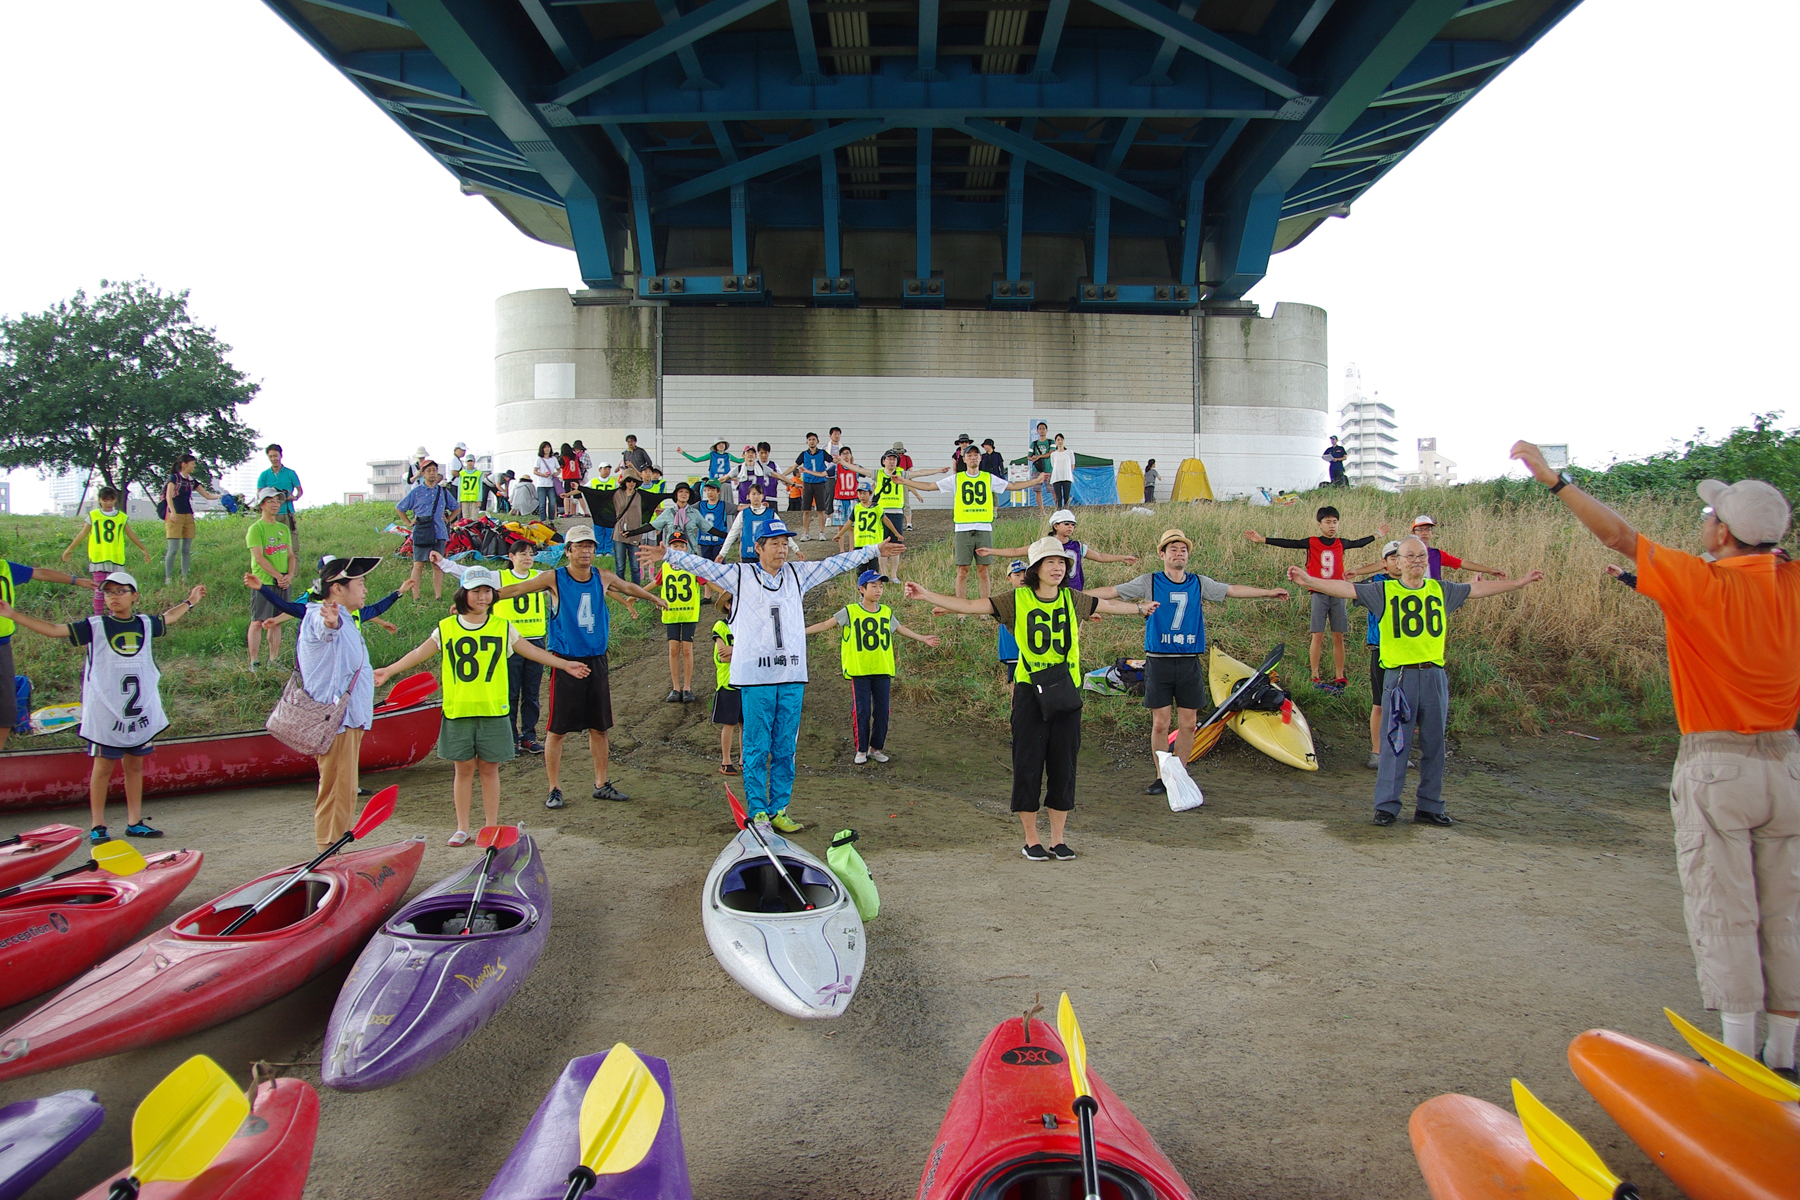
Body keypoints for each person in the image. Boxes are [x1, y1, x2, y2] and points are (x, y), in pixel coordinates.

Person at [1513, 440, 1800, 1074]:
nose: (1704, 522)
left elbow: (1616, 534)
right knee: (1785, 911)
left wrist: (1554, 480)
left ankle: (1736, 1057)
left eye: (1710, 516)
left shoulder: (1703, 580)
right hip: (1787, 766)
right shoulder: (1790, 582)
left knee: (1725, 906)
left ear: (1722, 532)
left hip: (1718, 765)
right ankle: (1784, 1055)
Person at [638, 519, 904, 831]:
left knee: (785, 746)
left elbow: (834, 564)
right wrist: (669, 555)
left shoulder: (797, 574)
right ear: (758, 547)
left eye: (784, 543)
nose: (781, 549)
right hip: (755, 677)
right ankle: (758, 810)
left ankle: (779, 808)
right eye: (774, 543)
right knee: (755, 745)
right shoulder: (740, 575)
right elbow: (704, 566)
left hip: (791, 675)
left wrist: (873, 549)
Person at [905, 537, 1149, 860]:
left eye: (1061, 563)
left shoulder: (1071, 599)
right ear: (1035, 569)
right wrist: (926, 595)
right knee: (1028, 763)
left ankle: (1058, 839)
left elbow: (1109, 606)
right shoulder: (1016, 599)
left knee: (1064, 765)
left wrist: (1140, 609)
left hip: (1066, 690)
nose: (1057, 568)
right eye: (1050, 562)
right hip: (1029, 691)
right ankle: (1031, 839)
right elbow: (971, 606)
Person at [1287, 535, 1544, 828]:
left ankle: (1429, 805)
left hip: (1434, 675)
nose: (1417, 561)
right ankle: (1386, 806)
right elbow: (1346, 588)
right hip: (1399, 677)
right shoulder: (1383, 591)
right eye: (1410, 556)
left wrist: (1518, 583)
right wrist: (1309, 580)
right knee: (1395, 743)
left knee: (1435, 743)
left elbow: (1477, 588)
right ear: (1397, 561)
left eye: (1421, 556)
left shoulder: (1440, 589)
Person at [375, 565, 585, 844]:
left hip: (493, 710)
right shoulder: (446, 628)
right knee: (462, 770)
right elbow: (418, 653)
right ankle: (462, 827)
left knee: (489, 769)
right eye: (476, 591)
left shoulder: (502, 626)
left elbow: (532, 651)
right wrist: (389, 670)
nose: (483, 596)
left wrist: (564, 664)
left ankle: (490, 826)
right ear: (464, 594)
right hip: (459, 710)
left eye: (487, 591)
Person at [0, 575, 203, 842]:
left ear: (134, 596)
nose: (114, 596)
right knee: (103, 767)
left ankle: (135, 821)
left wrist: (190, 601)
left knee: (134, 765)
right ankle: (98, 825)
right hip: (107, 712)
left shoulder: (144, 623)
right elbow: (52, 629)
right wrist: (13, 615)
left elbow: (169, 617)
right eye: (108, 593)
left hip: (137, 711)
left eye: (121, 591)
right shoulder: (94, 626)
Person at [1087, 529, 1291, 793]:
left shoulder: (1198, 582)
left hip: (1188, 661)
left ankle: (1179, 775)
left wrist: (1268, 592)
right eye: (1172, 549)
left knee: (1188, 723)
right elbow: (1113, 591)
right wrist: (1078, 595)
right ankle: (1162, 776)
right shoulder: (1149, 581)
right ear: (1162, 554)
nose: (1178, 553)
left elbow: (1232, 590)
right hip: (1159, 661)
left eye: (1183, 549)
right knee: (1160, 723)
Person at [495, 524, 664, 809]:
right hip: (566, 661)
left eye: (590, 547)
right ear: (568, 550)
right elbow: (518, 589)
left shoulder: (602, 576)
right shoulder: (555, 578)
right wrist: (479, 599)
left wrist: (654, 598)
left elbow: (628, 586)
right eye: (579, 546)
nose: (585, 552)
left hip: (596, 659)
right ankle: (554, 788)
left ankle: (601, 783)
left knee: (599, 727)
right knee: (557, 730)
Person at [1244, 506, 1388, 692]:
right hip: (1318, 594)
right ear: (1319, 524)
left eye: (1335, 522)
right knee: (1317, 635)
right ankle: (1314, 674)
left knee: (1338, 635)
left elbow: (1359, 543)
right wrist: (1262, 539)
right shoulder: (1312, 542)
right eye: (1328, 522)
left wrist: (1378, 534)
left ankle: (1339, 675)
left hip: (1338, 593)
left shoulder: (1340, 543)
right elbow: (1289, 543)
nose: (1332, 526)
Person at [805, 570, 940, 764]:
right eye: (873, 586)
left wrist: (922, 638)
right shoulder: (850, 611)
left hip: (882, 669)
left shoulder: (886, 611)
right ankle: (860, 749)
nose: (878, 590)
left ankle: (876, 748)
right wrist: (800, 632)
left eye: (881, 586)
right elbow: (827, 624)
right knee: (862, 711)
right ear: (862, 589)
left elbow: (900, 629)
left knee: (883, 711)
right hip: (859, 670)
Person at [297, 556, 382, 849]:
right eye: (359, 583)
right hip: (336, 720)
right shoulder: (321, 615)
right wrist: (330, 624)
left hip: (350, 718)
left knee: (345, 788)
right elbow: (325, 629)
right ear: (337, 588)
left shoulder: (345, 617)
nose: (364, 590)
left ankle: (335, 846)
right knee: (336, 788)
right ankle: (328, 849)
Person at [915, 445, 1047, 600]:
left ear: (980, 458)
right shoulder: (957, 478)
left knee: (983, 570)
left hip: (983, 528)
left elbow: (1012, 486)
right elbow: (930, 487)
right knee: (962, 570)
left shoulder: (988, 477)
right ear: (963, 459)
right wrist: (905, 481)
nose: (972, 458)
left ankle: (985, 607)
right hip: (962, 528)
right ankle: (961, 609)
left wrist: (1035, 481)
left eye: (975, 455)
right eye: (969, 455)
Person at [0, 559, 98, 753]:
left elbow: (39, 573)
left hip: (2, 646)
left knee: (6, 711)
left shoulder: (4, 566)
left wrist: (77, 581)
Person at [979, 509, 1138, 592]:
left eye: (1073, 524)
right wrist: (992, 551)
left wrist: (1121, 557)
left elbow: (1099, 556)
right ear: (1056, 526)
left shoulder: (1078, 546)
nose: (1070, 527)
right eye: (1066, 524)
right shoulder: (1044, 545)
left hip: (1075, 589)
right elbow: (1016, 551)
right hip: (1051, 590)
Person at [63, 487, 151, 615]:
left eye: (111, 500)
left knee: (115, 592)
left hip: (116, 558)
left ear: (115, 500)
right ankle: (98, 617)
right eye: (105, 500)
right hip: (99, 558)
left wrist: (143, 549)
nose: (108, 503)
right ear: (99, 500)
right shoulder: (94, 515)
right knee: (99, 590)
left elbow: (130, 534)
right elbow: (83, 533)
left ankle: (113, 617)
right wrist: (69, 549)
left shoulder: (121, 517)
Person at [247, 488, 295, 670]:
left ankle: (274, 660)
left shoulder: (283, 528)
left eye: (277, 501)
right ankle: (254, 661)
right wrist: (277, 576)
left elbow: (291, 555)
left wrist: (289, 576)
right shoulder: (256, 529)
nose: (275, 504)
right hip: (264, 583)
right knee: (258, 621)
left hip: (283, 582)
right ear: (261, 505)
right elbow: (259, 557)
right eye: (270, 501)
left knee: (277, 621)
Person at [653, 532, 702, 702]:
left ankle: (687, 687)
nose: (678, 548)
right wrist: (638, 594)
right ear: (670, 548)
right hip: (671, 613)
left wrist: (725, 594)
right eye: (675, 546)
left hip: (688, 613)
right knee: (673, 649)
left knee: (687, 650)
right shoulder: (665, 566)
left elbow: (706, 581)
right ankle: (675, 687)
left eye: (681, 546)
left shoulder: (692, 566)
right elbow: (656, 582)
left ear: (686, 548)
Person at [395, 461, 451, 602]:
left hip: (439, 532)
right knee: (418, 564)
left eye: (434, 470)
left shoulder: (442, 491)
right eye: (429, 471)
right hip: (422, 531)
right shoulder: (416, 491)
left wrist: (449, 518)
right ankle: (416, 597)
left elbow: (456, 506)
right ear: (423, 473)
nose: (432, 473)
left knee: (437, 564)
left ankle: (438, 596)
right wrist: (408, 523)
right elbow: (400, 508)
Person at [164, 453, 219, 584]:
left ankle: (185, 576)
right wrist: (172, 511)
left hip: (188, 514)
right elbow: (168, 496)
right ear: (184, 465)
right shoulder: (174, 478)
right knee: (173, 549)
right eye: (192, 464)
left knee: (186, 549)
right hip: (175, 515)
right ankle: (168, 577)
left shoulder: (191, 481)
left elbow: (206, 495)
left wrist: (220, 496)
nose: (194, 466)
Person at [1410, 514, 1507, 581]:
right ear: (1413, 532)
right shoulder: (1403, 553)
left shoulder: (1437, 554)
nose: (1424, 533)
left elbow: (1462, 563)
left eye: (1428, 529)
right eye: (1420, 529)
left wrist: (1490, 570)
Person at [711, 592, 742, 774]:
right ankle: (726, 761)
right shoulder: (721, 626)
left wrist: (734, 650)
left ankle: (743, 760)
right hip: (728, 682)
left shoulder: (746, 625)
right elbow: (723, 656)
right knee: (729, 724)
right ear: (728, 605)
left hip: (745, 682)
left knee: (745, 725)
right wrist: (741, 650)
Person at [257, 444, 304, 557]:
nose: (274, 459)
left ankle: (294, 573)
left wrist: (294, 497)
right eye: (271, 456)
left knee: (292, 544)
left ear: (280, 456)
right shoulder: (264, 475)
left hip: (287, 512)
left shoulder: (290, 473)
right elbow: (260, 494)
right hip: (271, 514)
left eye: (275, 456)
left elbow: (300, 491)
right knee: (271, 545)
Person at [721, 481, 779, 564]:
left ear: (762, 496)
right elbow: (733, 533)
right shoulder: (743, 514)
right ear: (748, 496)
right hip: (747, 555)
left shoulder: (771, 514)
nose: (756, 496)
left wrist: (796, 549)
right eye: (753, 494)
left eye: (759, 494)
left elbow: (782, 531)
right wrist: (722, 553)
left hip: (765, 555)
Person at [794, 432, 835, 541]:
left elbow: (834, 461)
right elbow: (794, 466)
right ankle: (806, 533)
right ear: (807, 442)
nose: (812, 441)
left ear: (817, 441)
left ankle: (822, 532)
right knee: (806, 510)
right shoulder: (803, 454)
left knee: (821, 509)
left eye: (814, 439)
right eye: (810, 439)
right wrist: (782, 476)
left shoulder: (822, 453)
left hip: (820, 483)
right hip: (807, 483)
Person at [676, 439, 742, 486]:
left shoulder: (728, 455)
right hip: (714, 483)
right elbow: (695, 460)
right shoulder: (711, 455)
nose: (721, 445)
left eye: (723, 443)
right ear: (715, 446)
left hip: (726, 482)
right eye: (719, 444)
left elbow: (739, 460)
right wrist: (683, 453)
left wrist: (750, 457)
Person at [695, 479, 731, 561]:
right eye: (708, 490)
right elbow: (687, 509)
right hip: (704, 541)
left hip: (718, 541)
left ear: (719, 491)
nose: (710, 492)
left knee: (719, 565)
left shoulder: (723, 504)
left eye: (713, 490)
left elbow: (738, 508)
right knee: (706, 566)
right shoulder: (700, 504)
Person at [1027, 422, 1056, 508]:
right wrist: (1033, 458)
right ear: (1037, 431)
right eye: (1040, 429)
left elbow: (1051, 453)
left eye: (1043, 428)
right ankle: (1042, 510)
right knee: (1037, 490)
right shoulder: (1034, 443)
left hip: (1048, 469)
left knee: (1053, 490)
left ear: (1046, 430)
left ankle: (1058, 509)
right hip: (1037, 470)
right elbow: (1029, 456)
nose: (1042, 430)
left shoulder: (1051, 442)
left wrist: (1039, 456)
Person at [1048, 434, 1077, 509]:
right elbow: (1053, 465)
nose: (1060, 441)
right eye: (1058, 440)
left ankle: (1067, 511)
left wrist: (1069, 473)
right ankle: (1059, 511)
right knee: (1058, 497)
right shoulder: (1053, 454)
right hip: (1056, 477)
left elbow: (1072, 464)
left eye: (1061, 440)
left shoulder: (1069, 452)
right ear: (1055, 442)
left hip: (1066, 476)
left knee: (1066, 496)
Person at [893, 442, 916, 530]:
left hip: (904, 481)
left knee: (906, 502)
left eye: (901, 453)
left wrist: (909, 482)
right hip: (894, 481)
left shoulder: (907, 459)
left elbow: (910, 471)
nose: (899, 454)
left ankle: (909, 523)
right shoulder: (892, 459)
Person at [457, 452, 485, 521]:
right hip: (464, 497)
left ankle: (474, 530)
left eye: (471, 461)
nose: (470, 463)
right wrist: (459, 500)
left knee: (474, 517)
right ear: (465, 462)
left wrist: (479, 499)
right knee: (465, 516)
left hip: (474, 497)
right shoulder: (462, 473)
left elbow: (480, 487)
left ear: (474, 462)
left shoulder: (478, 473)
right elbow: (460, 486)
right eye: (468, 461)